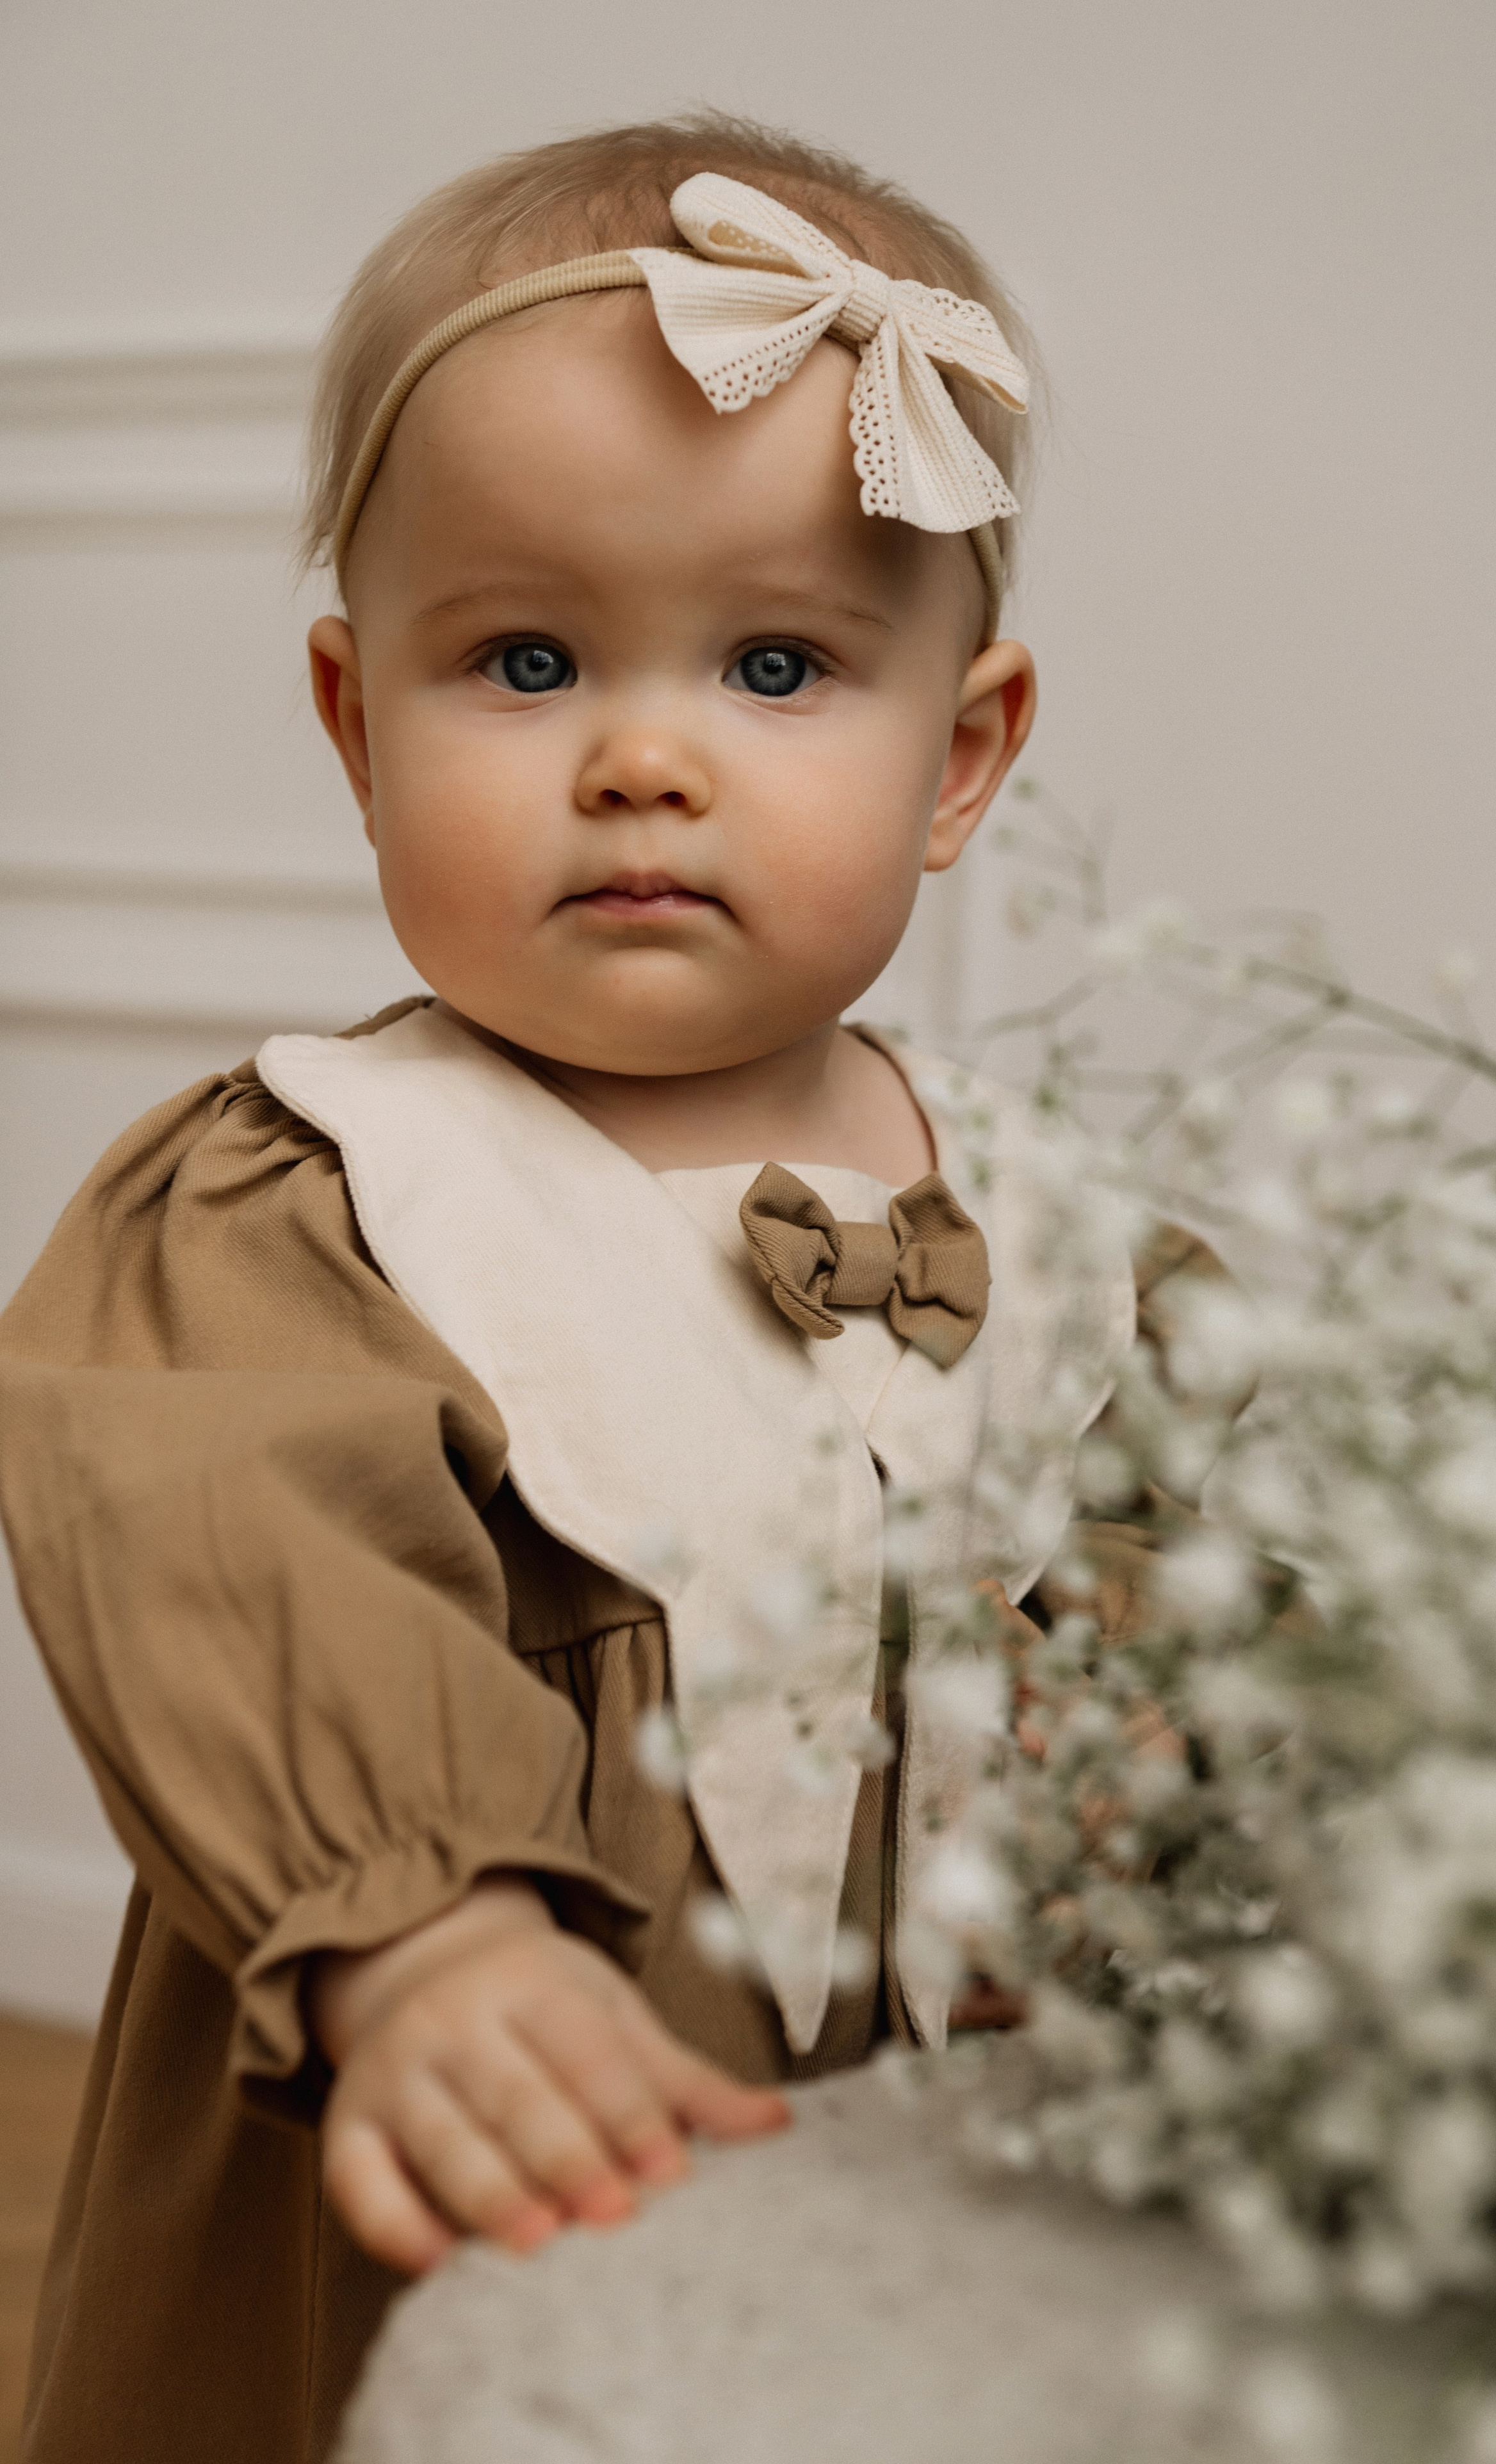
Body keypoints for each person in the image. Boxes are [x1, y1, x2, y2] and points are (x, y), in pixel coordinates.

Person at [0, 111, 1203, 2464]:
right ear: (359, 726)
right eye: (527, 658)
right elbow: (243, 1552)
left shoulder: (1078, 1229)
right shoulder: (311, 1194)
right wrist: (420, 1933)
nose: (644, 758)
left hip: (952, 2163)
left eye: (776, 664)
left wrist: (1161, 1729)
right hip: (478, 2104)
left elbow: (1226, 1543)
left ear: (960, 757)